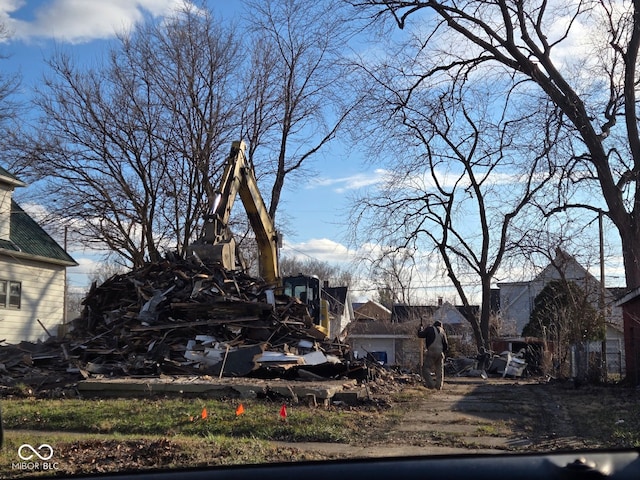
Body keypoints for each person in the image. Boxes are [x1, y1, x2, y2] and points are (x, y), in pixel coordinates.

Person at [418, 320, 449, 390]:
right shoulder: (442, 331)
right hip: (440, 352)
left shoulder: (430, 329)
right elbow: (446, 345)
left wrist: (420, 329)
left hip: (432, 351)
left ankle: (431, 384)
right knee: (439, 370)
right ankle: (438, 386)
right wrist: (443, 352)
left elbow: (420, 335)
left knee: (425, 368)